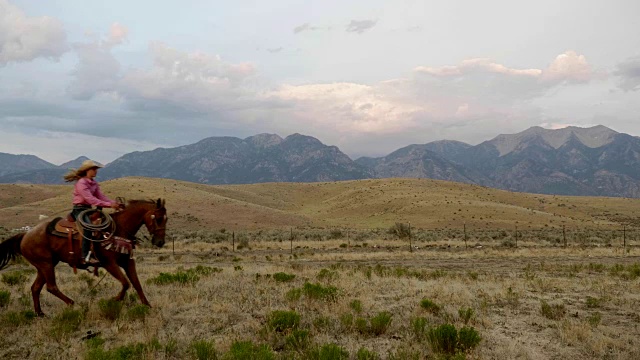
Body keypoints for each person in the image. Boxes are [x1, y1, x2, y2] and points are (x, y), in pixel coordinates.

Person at [63, 160, 121, 265]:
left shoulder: (94, 183)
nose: (95, 171)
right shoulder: (81, 183)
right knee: (89, 227)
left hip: (88, 209)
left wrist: (114, 203)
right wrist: (109, 205)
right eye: (93, 169)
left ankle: (100, 251)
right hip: (79, 209)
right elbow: (91, 199)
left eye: (96, 169)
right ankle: (85, 256)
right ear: (87, 170)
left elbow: (101, 196)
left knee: (105, 223)